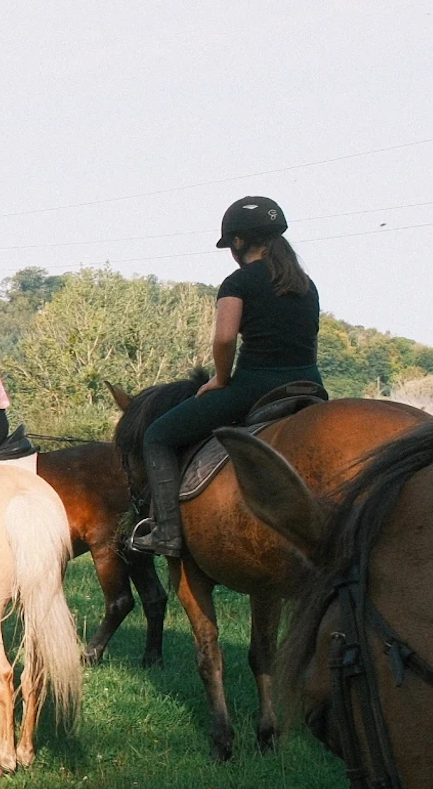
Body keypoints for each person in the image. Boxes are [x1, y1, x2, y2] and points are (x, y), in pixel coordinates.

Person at [128, 197, 323, 556]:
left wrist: (220, 378)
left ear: (237, 242)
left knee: (157, 435)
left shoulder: (238, 282)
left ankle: (167, 533)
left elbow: (224, 338)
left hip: (256, 384)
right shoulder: (305, 284)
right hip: (311, 384)